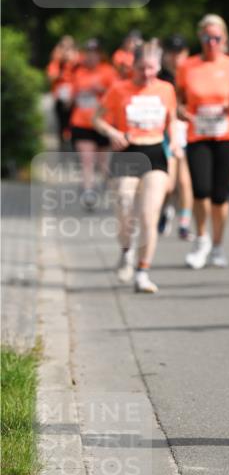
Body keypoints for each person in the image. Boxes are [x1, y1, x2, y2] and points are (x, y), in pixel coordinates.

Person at [94, 40, 180, 294]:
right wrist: (112, 132)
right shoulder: (119, 89)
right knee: (124, 205)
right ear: (133, 66)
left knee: (148, 215)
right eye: (142, 68)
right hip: (127, 152)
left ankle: (143, 271)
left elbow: (172, 120)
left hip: (155, 152)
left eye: (152, 68)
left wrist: (174, 141)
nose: (147, 74)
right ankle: (125, 251)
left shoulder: (166, 89)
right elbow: (97, 118)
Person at [176, 15, 229, 269]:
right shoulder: (188, 66)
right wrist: (181, 110)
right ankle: (201, 238)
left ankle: (218, 245)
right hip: (198, 133)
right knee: (200, 189)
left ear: (224, 39)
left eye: (216, 38)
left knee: (219, 194)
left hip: (227, 133)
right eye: (206, 37)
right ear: (200, 38)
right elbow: (179, 99)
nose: (211, 42)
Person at [68, 39, 117, 208]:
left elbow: (117, 95)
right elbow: (71, 98)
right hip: (81, 122)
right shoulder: (78, 72)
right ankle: (88, 190)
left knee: (103, 163)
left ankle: (105, 188)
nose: (90, 56)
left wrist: (101, 90)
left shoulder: (108, 71)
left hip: (103, 123)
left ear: (99, 55)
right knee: (87, 160)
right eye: (88, 52)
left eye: (94, 53)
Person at [157, 35, 193, 240]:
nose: (175, 58)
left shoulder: (192, 73)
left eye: (179, 53)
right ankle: (167, 208)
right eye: (171, 53)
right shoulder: (159, 76)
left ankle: (185, 223)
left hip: (187, 129)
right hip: (164, 130)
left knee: (185, 179)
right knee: (169, 183)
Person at [46, 36, 80, 147]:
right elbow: (51, 77)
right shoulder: (56, 63)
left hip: (75, 98)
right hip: (60, 98)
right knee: (62, 124)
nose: (66, 51)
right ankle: (63, 146)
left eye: (69, 47)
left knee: (74, 124)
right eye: (64, 47)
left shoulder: (78, 64)